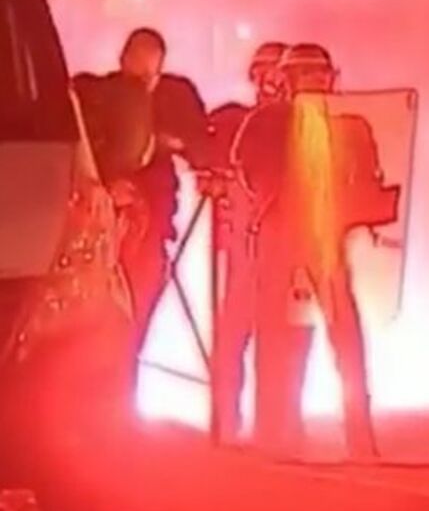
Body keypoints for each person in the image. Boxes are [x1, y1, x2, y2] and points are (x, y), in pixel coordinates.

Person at [233, 43, 395, 458]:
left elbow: (369, 179)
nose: (318, 82)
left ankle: (360, 437)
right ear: (289, 81)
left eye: (322, 75)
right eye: (308, 75)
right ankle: (277, 431)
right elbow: (248, 170)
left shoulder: (350, 126)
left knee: (346, 338)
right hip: (281, 239)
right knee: (281, 337)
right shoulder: (265, 122)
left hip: (327, 242)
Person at [73, 28, 215, 368]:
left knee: (135, 313)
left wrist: (168, 142)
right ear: (123, 59)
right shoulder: (94, 95)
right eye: (138, 71)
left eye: (150, 74)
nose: (143, 82)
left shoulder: (171, 100)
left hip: (148, 228)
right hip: (97, 225)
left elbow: (202, 148)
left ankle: (121, 377)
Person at [208, 41, 287, 444]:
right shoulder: (235, 122)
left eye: (276, 72)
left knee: (280, 337)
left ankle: (275, 423)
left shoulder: (301, 124)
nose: (269, 80)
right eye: (263, 72)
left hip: (284, 248)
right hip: (242, 248)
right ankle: (227, 420)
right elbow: (206, 152)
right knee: (233, 336)